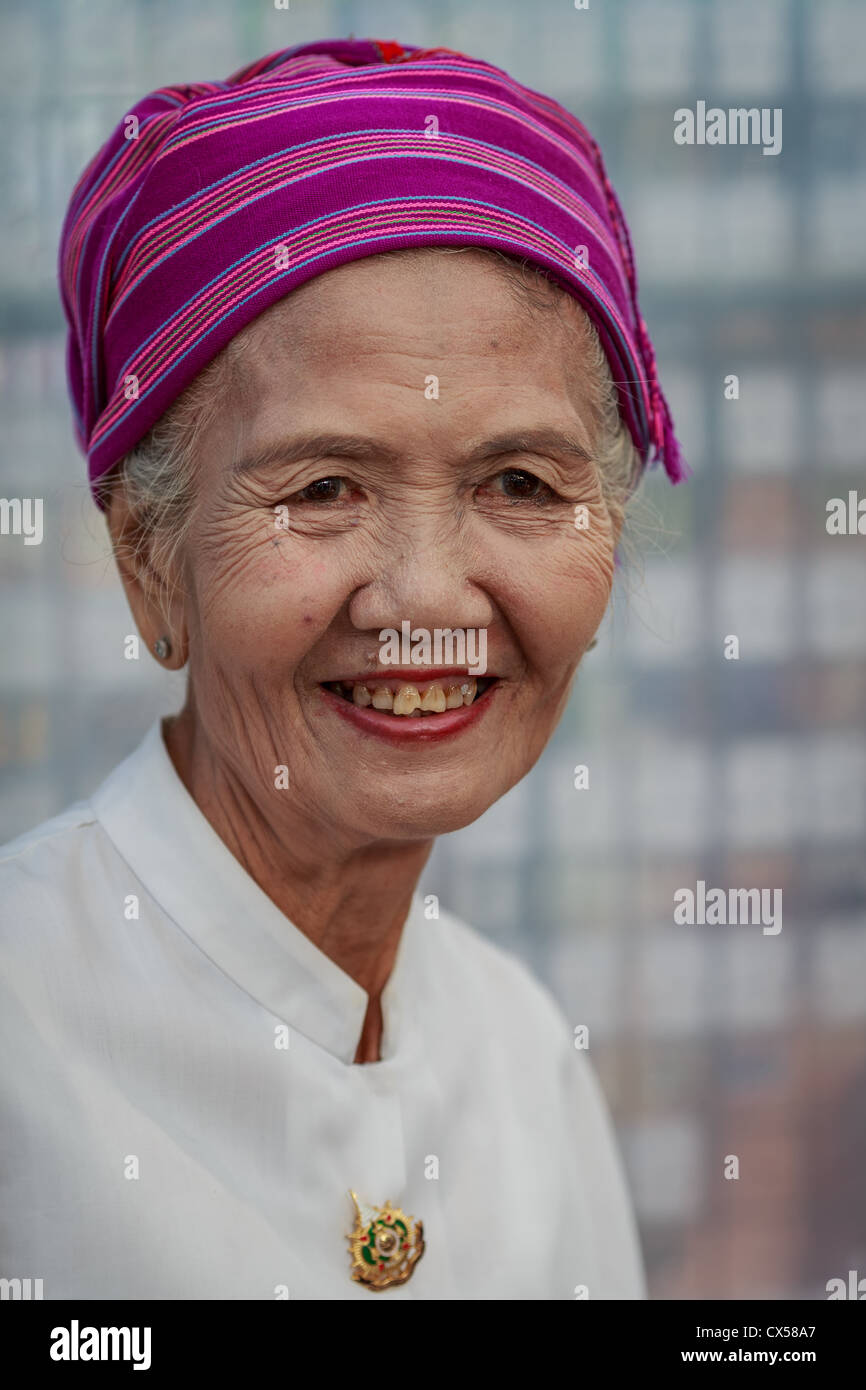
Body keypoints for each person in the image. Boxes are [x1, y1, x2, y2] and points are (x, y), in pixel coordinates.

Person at [0, 36, 684, 1299]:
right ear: (150, 559)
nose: (423, 598)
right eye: (322, 489)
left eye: (519, 484)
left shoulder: (523, 1057)